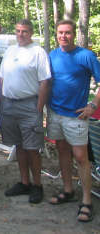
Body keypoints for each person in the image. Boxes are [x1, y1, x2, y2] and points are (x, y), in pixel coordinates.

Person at [47, 20, 100, 222]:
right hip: (55, 113)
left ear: (73, 34)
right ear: (56, 34)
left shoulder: (85, 56)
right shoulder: (52, 55)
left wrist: (92, 105)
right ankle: (68, 189)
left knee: (81, 157)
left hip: (77, 115)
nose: (63, 36)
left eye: (67, 33)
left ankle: (87, 201)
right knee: (62, 150)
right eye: (60, 32)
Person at [0, 19, 51, 204]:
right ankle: (24, 182)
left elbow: (45, 81)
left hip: (29, 105)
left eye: (25, 31)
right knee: (19, 146)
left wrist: (39, 107)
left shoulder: (38, 52)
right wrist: (1, 100)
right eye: (18, 31)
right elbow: (2, 77)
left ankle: (37, 185)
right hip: (9, 105)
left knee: (32, 148)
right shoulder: (10, 50)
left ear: (31, 33)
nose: (21, 34)